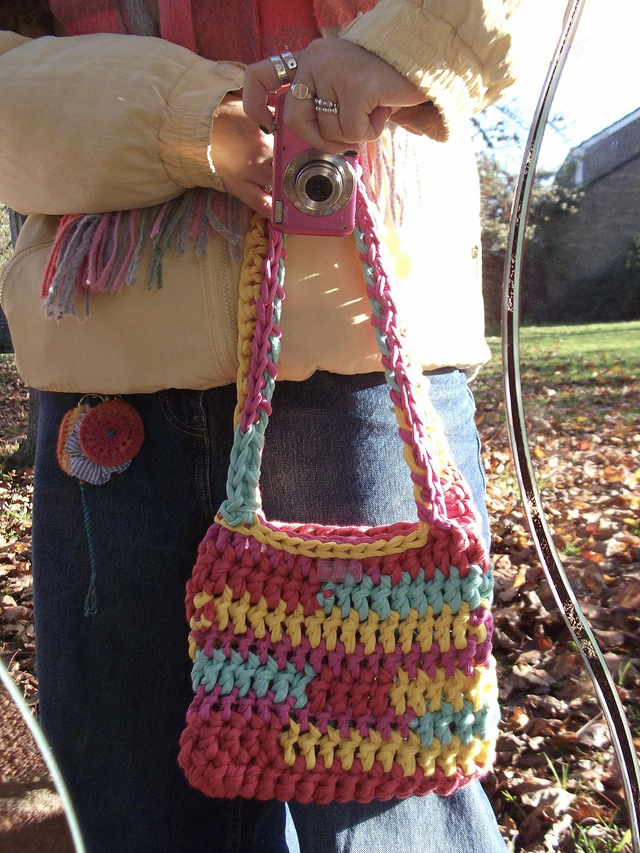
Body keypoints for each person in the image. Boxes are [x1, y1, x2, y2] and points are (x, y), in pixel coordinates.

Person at [0, 1, 540, 851]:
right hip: (107, 379)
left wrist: (409, 44)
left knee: (391, 810)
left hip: (352, 348)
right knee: (126, 797)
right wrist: (193, 117)